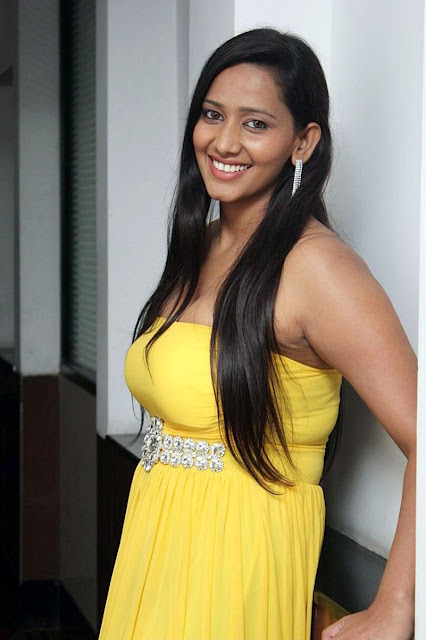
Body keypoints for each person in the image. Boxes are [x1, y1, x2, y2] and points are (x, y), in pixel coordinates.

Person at [99, 28, 416, 640]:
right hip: (156, 547)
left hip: (240, 565)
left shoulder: (316, 268)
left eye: (255, 124)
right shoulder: (202, 245)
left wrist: (396, 604)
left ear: (303, 142)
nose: (224, 142)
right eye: (212, 115)